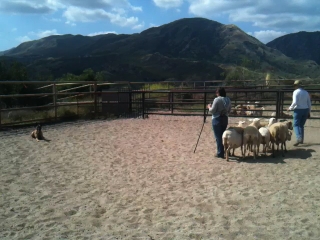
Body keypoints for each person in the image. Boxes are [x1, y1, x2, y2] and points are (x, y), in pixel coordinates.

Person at [207, 87, 232, 158]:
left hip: (217, 119)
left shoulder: (217, 99)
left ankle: (220, 153)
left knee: (218, 136)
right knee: (224, 135)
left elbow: (212, 110)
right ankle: (226, 150)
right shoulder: (228, 99)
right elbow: (230, 110)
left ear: (219, 93)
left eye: (217, 92)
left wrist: (209, 107)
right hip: (225, 118)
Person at [286, 80, 311, 146]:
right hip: (306, 109)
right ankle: (302, 139)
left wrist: (290, 108)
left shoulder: (296, 92)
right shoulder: (306, 92)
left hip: (298, 110)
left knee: (295, 125)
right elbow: (309, 103)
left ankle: (298, 138)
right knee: (301, 125)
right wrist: (309, 111)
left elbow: (295, 102)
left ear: (296, 86)